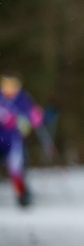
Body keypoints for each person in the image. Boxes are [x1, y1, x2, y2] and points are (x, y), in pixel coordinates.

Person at [0, 74, 44, 207]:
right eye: (6, 85)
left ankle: (22, 195)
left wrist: (35, 117)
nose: (9, 89)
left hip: (14, 140)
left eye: (12, 86)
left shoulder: (22, 98)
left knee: (16, 167)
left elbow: (31, 114)